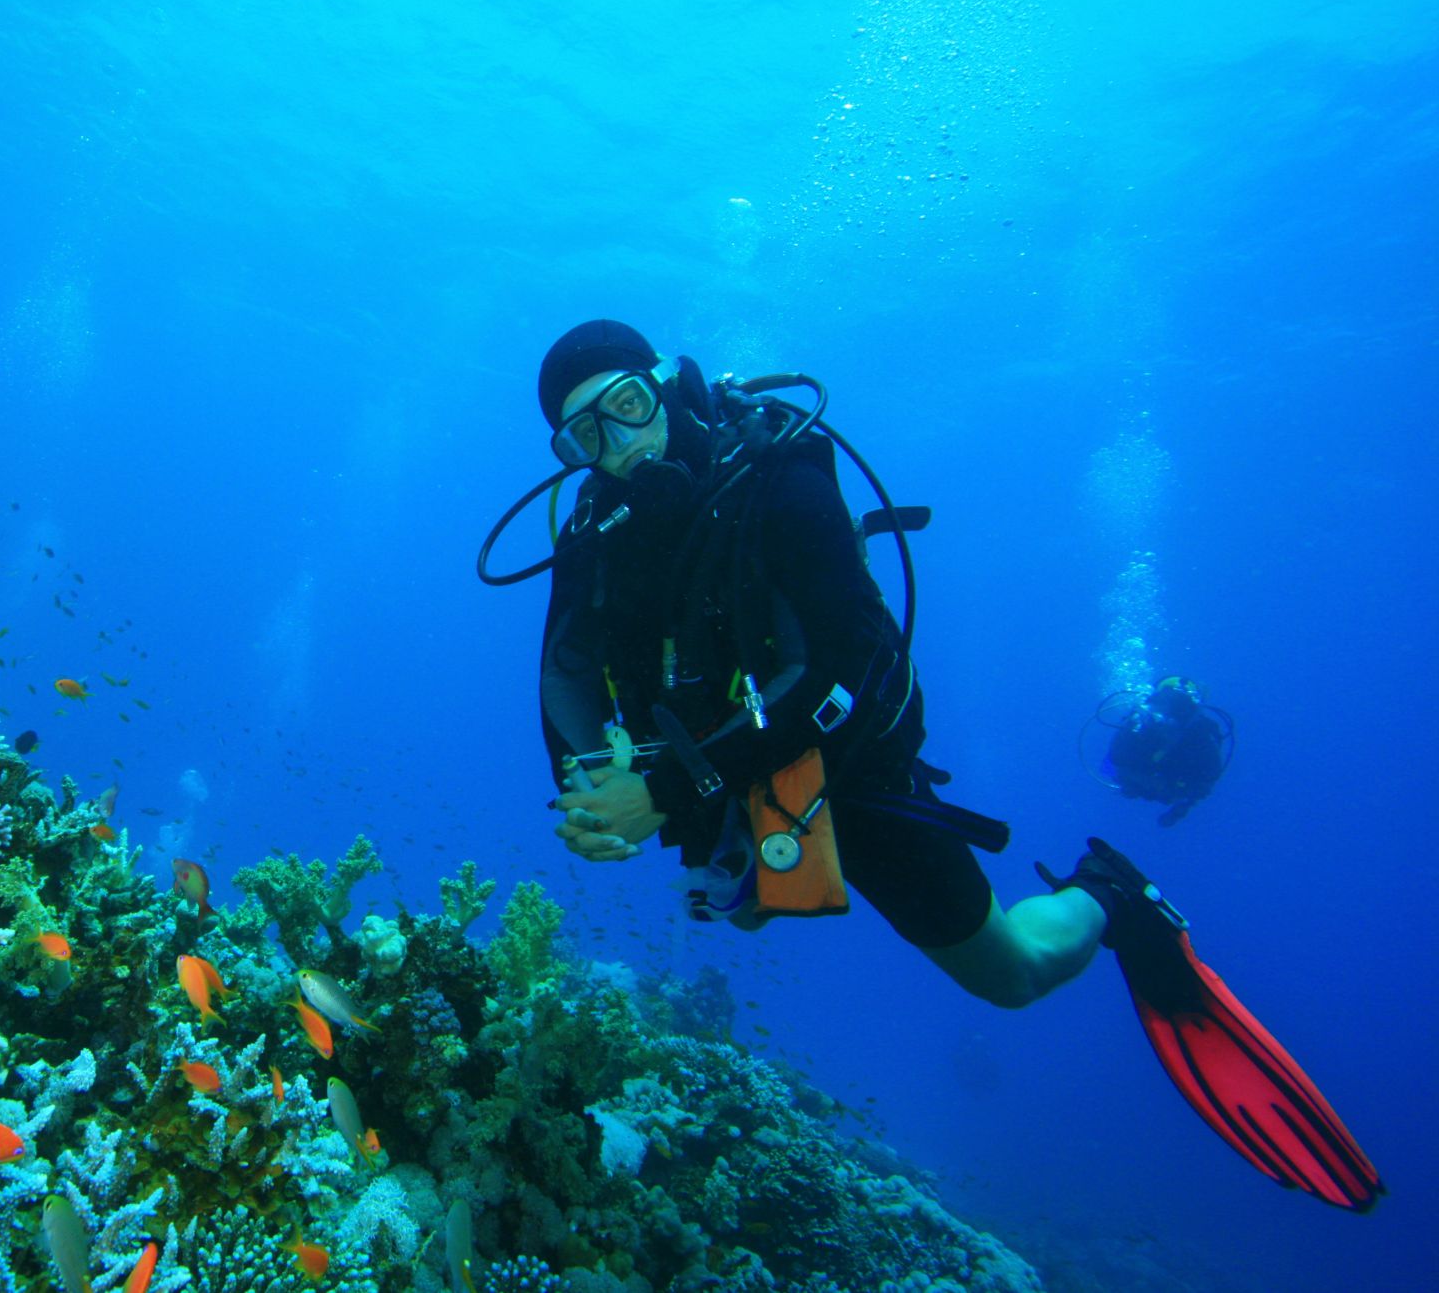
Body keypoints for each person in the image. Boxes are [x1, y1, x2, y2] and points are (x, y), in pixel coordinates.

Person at [482, 320, 1380, 1210]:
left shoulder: (782, 477)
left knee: (1012, 976)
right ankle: (767, 873)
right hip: (725, 774)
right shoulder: (599, 517)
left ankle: (1108, 895)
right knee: (751, 911)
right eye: (585, 435)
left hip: (845, 766)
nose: (621, 446)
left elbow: (848, 674)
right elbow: (565, 665)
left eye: (628, 408)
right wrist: (589, 783)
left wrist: (667, 790)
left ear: (663, 384)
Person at [1098, 676, 1232, 827]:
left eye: (1182, 708)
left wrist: (1178, 803)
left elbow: (1206, 782)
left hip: (1171, 783)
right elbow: (1115, 762)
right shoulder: (1139, 724)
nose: (1172, 716)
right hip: (1152, 779)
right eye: (1167, 703)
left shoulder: (1200, 734)